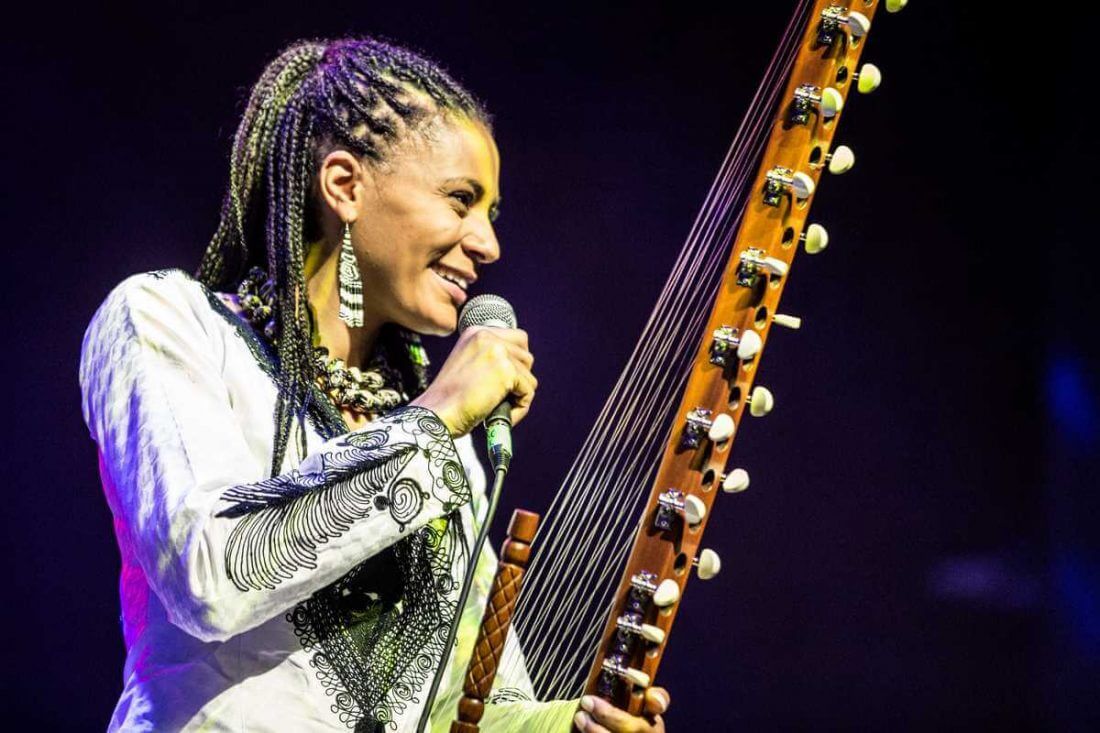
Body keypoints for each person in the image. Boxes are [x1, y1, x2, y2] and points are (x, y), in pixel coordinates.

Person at [79, 37, 671, 732]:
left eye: (490, 214)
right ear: (345, 186)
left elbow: (462, 710)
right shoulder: (166, 319)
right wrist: (437, 417)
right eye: (461, 200)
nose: (488, 244)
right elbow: (208, 573)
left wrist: (577, 722)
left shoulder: (431, 438)